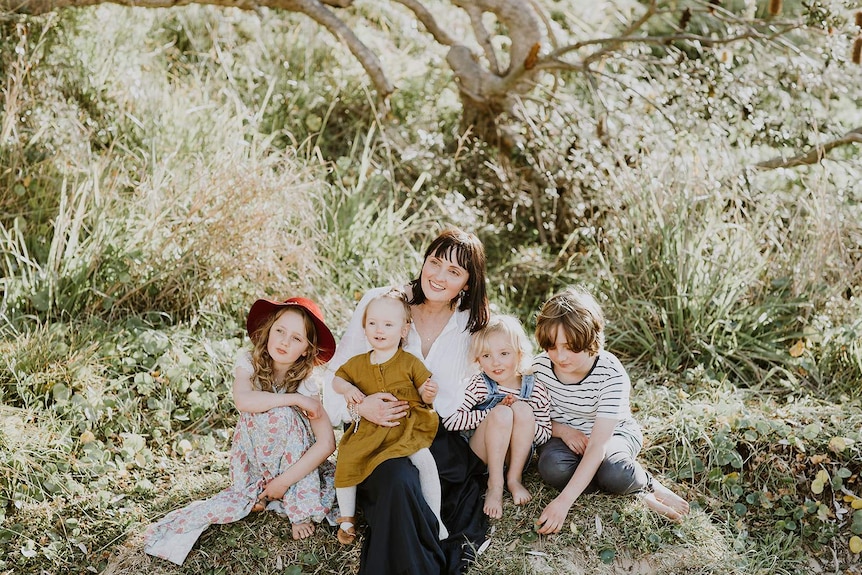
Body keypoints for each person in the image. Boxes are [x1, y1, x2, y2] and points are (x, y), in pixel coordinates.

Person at [324, 227, 490, 575]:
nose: (439, 276)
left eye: (454, 272)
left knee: (427, 482)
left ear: (468, 284)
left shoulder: (472, 325)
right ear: (424, 261)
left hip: (435, 439)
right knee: (398, 480)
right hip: (377, 433)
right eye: (435, 262)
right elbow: (336, 377)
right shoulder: (383, 304)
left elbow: (500, 373)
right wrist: (359, 406)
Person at [144, 297, 339, 565]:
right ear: (269, 330)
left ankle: (296, 506)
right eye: (280, 331)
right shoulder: (250, 362)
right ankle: (257, 488)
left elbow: (327, 442)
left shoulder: (305, 384)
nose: (283, 341)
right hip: (255, 457)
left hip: (291, 460)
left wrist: (284, 481)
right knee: (272, 411)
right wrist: (293, 400)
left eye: (296, 338)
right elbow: (244, 401)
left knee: (282, 417)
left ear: (306, 349)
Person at [531, 286, 691, 535]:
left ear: (590, 340)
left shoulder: (610, 372)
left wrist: (563, 503)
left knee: (614, 470)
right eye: (551, 346)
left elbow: (598, 446)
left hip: (611, 436)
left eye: (570, 346)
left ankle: (644, 485)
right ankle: (623, 488)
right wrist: (563, 431)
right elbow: (532, 416)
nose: (560, 356)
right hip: (563, 437)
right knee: (552, 467)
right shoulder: (540, 367)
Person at [331, 287, 447, 544]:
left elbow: (424, 392)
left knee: (425, 461)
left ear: (403, 330)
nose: (379, 330)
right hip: (371, 430)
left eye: (387, 324)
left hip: (405, 427)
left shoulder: (409, 362)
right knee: (347, 460)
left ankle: (435, 517)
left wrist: (428, 394)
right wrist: (349, 388)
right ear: (365, 328)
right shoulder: (359, 363)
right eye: (372, 323)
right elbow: (337, 380)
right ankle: (347, 519)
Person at [442, 315, 552, 519]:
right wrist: (489, 413)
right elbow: (451, 421)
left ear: (519, 354)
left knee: (522, 410)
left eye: (504, 353)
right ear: (477, 359)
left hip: (515, 457)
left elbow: (545, 434)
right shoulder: (479, 384)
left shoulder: (535, 388)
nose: (495, 362)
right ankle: (495, 484)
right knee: (501, 413)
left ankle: (514, 478)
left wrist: (523, 420)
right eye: (486, 356)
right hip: (482, 454)